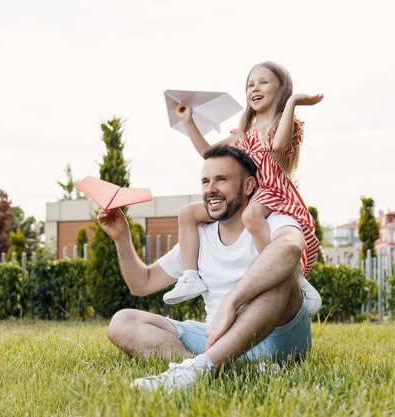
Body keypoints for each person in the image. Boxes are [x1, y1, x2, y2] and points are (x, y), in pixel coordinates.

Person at [98, 144, 311, 391]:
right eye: (205, 181)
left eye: (221, 180)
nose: (210, 190)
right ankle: (202, 368)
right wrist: (121, 237)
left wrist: (231, 303)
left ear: (248, 186)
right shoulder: (199, 237)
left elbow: (290, 249)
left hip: (277, 339)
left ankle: (204, 366)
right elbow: (142, 283)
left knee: (279, 278)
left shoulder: (274, 219)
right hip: (215, 337)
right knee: (122, 322)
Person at [162, 61, 322, 313]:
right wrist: (188, 121)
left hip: (271, 190)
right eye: (250, 84)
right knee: (187, 213)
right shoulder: (243, 132)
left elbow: (278, 146)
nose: (254, 88)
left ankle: (296, 280)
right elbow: (209, 153)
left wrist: (292, 102)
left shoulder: (286, 122)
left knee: (251, 215)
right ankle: (191, 277)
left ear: (281, 89)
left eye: (263, 82)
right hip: (247, 194)